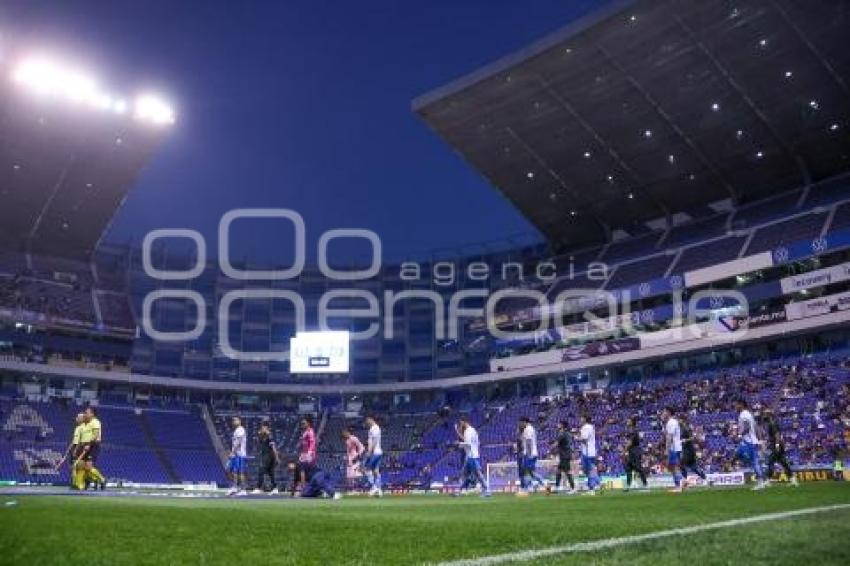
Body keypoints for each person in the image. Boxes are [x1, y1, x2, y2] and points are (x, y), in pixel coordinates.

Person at [733, 398, 766, 490]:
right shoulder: (748, 414)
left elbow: (747, 427)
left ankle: (761, 482)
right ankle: (762, 479)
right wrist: (759, 440)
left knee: (753, 462)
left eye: (736, 405)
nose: (735, 407)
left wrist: (739, 435)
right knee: (741, 455)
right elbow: (755, 427)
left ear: (741, 405)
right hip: (750, 441)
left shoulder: (743, 415)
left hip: (749, 442)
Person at [762, 410, 798, 487]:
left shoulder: (772, 424)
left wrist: (777, 446)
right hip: (778, 446)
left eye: (765, 414)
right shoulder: (772, 423)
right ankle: (793, 480)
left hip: (776, 446)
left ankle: (767, 480)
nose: (764, 416)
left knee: (770, 461)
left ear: (769, 415)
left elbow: (777, 435)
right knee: (783, 463)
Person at [456, 415, 489, 495]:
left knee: (477, 473)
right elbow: (477, 442)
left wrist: (458, 444)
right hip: (472, 455)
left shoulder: (468, 431)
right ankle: (461, 490)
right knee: (465, 473)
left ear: (464, 422)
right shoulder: (473, 430)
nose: (460, 425)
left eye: (461, 423)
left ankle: (487, 490)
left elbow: (468, 444)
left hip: (471, 456)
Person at [76, 407, 106, 491]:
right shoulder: (86, 423)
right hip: (85, 445)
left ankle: (102, 480)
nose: (85, 414)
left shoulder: (96, 422)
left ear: (92, 414)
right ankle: (80, 485)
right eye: (85, 412)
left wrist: (89, 444)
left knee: (88, 467)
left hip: (93, 445)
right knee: (80, 465)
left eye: (87, 412)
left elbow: (95, 435)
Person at [56, 413, 85, 489]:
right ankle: (76, 483)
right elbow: (74, 441)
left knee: (75, 467)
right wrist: (68, 450)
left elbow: (77, 442)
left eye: (78, 417)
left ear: (82, 419)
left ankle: (76, 484)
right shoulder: (80, 428)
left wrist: (73, 450)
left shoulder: (81, 428)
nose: (76, 418)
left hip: (79, 450)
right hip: (78, 450)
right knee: (74, 468)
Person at [518, 416, 546, 492]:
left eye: (520, 422)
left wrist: (528, 454)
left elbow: (529, 441)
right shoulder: (527, 429)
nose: (520, 424)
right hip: (531, 453)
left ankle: (526, 488)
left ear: (524, 422)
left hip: (529, 453)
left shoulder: (528, 429)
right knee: (531, 472)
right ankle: (544, 484)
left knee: (526, 471)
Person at [679, 414, 708, 485]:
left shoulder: (687, 428)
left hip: (689, 450)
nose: (678, 421)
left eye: (679, 419)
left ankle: (685, 481)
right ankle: (706, 479)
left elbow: (693, 437)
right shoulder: (682, 428)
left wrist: (685, 440)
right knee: (694, 467)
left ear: (682, 420)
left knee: (681, 464)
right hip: (687, 449)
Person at [252, 422, 279, 494]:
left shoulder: (269, 436)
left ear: (267, 428)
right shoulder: (262, 436)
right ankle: (275, 488)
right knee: (271, 472)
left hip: (269, 455)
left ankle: (258, 487)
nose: (261, 429)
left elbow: (273, 447)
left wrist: (277, 457)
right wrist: (260, 434)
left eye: (263, 427)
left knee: (261, 470)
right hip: (266, 455)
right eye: (261, 428)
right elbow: (259, 440)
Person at [662, 407, 684, 493]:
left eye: (664, 411)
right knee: (671, 466)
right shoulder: (671, 422)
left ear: (668, 412)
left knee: (673, 467)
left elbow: (669, 437)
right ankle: (682, 482)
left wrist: (667, 450)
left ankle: (678, 486)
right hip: (676, 447)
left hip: (674, 447)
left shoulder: (671, 422)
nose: (663, 413)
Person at [623, 416, 647, 491]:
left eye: (628, 420)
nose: (627, 421)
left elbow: (630, 442)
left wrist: (624, 450)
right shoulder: (630, 430)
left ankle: (645, 485)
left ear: (632, 422)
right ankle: (628, 485)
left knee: (638, 468)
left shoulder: (633, 430)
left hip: (635, 451)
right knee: (628, 468)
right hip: (631, 450)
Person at [552, 421, 576, 493]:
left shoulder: (562, 434)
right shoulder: (567, 433)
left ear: (562, 426)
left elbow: (555, 444)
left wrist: (551, 448)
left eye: (559, 424)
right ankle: (557, 487)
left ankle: (573, 488)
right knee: (559, 470)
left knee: (567, 471)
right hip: (565, 454)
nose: (557, 425)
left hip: (564, 455)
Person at [578, 415, 600, 494]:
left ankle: (591, 489)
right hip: (591, 451)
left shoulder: (586, 427)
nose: (580, 419)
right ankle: (598, 483)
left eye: (581, 417)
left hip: (587, 451)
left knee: (589, 470)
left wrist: (577, 438)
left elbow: (584, 439)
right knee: (591, 469)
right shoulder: (591, 427)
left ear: (584, 418)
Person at [226, 416, 247, 496]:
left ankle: (243, 489)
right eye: (233, 420)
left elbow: (238, 442)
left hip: (240, 454)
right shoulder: (236, 430)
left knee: (240, 472)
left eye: (236, 420)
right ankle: (235, 487)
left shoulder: (241, 430)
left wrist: (232, 452)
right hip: (236, 454)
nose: (234, 421)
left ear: (240, 421)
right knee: (234, 471)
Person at [363, 415, 383, 497]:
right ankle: (379, 489)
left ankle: (374, 487)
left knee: (366, 469)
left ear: (371, 419)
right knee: (375, 471)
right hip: (378, 452)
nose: (366, 423)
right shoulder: (373, 428)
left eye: (367, 421)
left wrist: (370, 452)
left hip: (375, 452)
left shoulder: (374, 428)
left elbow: (374, 441)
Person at [297, 417, 318, 491]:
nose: (302, 424)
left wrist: (309, 454)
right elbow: (304, 442)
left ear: (308, 423)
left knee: (302, 469)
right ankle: (304, 486)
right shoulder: (305, 431)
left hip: (308, 454)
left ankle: (303, 487)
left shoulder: (310, 431)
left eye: (304, 423)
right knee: (304, 470)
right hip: (304, 453)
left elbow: (313, 443)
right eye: (302, 423)